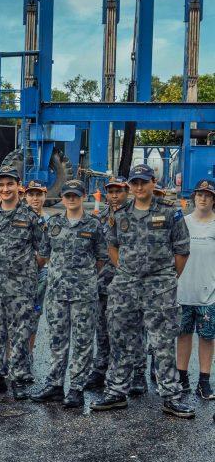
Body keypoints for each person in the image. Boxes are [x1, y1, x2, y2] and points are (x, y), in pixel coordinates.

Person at [92, 163, 194, 418]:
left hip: (159, 286)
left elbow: (181, 250)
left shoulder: (170, 213)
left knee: (162, 342)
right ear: (131, 186)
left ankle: (171, 395)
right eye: (135, 183)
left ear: (153, 183)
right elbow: (112, 246)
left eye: (143, 182)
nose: (139, 187)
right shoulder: (121, 213)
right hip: (126, 286)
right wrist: (126, 271)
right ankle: (116, 391)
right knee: (121, 339)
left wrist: (167, 277)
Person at [0, 167, 49, 400]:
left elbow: (43, 251)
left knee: (20, 333)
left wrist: (24, 269)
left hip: (21, 288)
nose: (5, 189)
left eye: (10, 184)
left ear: (19, 186)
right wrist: (0, 266)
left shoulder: (31, 217)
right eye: (1, 184)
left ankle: (18, 378)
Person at [30, 180, 106, 409]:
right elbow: (43, 255)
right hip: (57, 293)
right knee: (57, 341)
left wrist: (86, 278)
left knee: (82, 342)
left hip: (84, 294)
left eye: (76, 195)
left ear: (83, 196)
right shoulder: (53, 224)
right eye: (67, 195)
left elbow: (101, 258)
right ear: (62, 198)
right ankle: (54, 385)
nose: (71, 199)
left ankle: (76, 388)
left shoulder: (93, 225)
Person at [90, 175, 130, 391]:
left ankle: (135, 373)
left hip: (127, 284)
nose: (115, 195)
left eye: (119, 191)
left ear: (127, 191)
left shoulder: (134, 215)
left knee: (129, 331)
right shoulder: (99, 217)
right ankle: (100, 370)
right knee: (102, 329)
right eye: (111, 191)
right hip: (103, 283)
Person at [177, 179, 215, 400]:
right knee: (183, 335)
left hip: (209, 294)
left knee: (207, 338)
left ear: (213, 200)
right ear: (194, 197)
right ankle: (182, 379)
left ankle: (204, 381)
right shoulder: (183, 222)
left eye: (208, 195)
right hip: (183, 291)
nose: (203, 198)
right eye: (200, 194)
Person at [23, 179, 49, 383]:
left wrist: (37, 265)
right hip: (19, 275)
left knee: (33, 317)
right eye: (31, 194)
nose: (35, 198)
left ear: (44, 196)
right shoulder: (20, 217)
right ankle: (13, 357)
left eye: (38, 194)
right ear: (25, 196)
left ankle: (28, 356)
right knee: (13, 318)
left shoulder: (49, 222)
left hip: (39, 274)